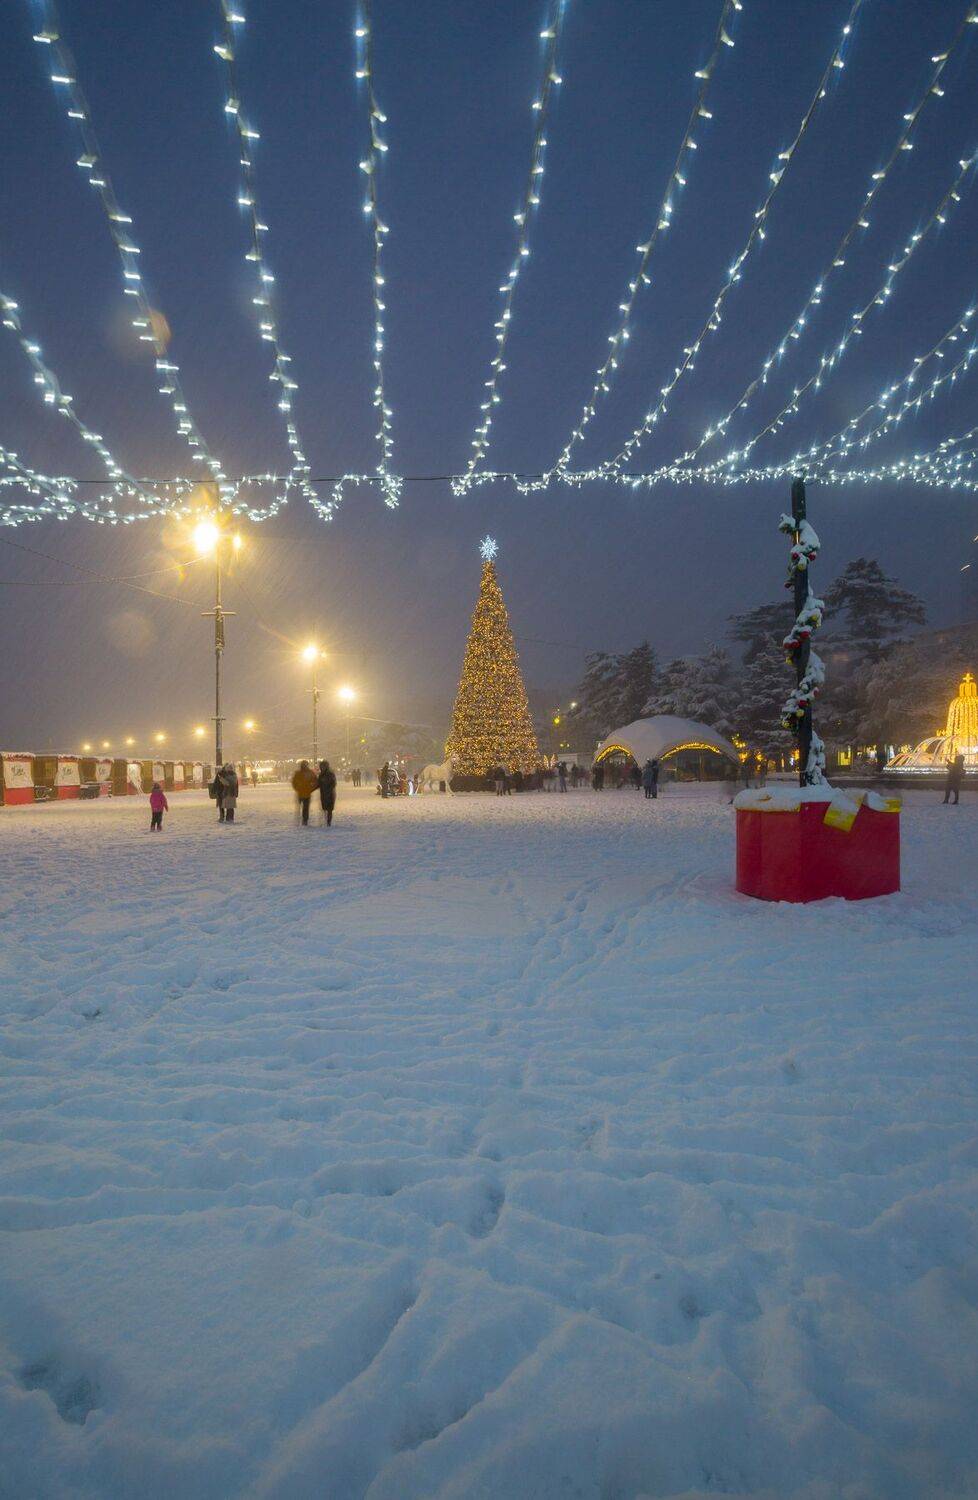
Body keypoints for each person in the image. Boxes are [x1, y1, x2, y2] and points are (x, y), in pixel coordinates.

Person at [292, 760, 319, 825]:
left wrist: (311, 789)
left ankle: (304, 821)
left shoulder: (309, 773)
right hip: (301, 793)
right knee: (301, 808)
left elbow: (316, 782)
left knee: (305, 808)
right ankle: (301, 820)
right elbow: (294, 782)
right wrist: (297, 788)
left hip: (306, 793)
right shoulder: (299, 773)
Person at [317, 758, 337, 826]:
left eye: (324, 766)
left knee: (329, 809)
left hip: (330, 794)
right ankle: (325, 821)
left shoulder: (330, 774)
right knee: (324, 808)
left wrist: (328, 789)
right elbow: (318, 784)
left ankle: (328, 822)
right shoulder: (321, 775)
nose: (322, 767)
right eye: (321, 766)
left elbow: (333, 783)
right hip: (323, 794)